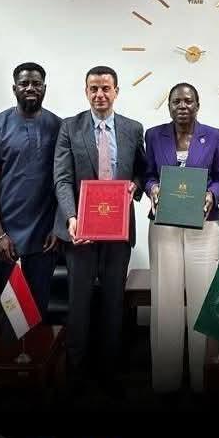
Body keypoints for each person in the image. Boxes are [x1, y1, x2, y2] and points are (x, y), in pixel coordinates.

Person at [53, 66, 146, 389]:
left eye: (106, 88)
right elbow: (62, 179)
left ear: (116, 91)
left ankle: (110, 372)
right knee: (78, 304)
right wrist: (71, 217)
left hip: (118, 231)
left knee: (113, 302)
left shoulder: (133, 128)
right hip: (80, 230)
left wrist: (135, 185)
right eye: (93, 88)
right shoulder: (69, 127)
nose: (100, 94)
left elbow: (141, 171)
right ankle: (76, 373)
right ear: (86, 91)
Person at [145, 82, 219, 393]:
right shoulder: (154, 135)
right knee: (164, 298)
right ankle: (166, 380)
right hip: (164, 225)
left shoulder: (214, 136)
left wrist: (212, 194)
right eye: (176, 101)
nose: (183, 106)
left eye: (188, 101)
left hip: (203, 226)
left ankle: (203, 378)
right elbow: (148, 174)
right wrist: (153, 188)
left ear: (197, 104)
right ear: (169, 106)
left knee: (204, 299)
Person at [0, 63, 61, 321]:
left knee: (38, 311)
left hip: (45, 237)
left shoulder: (59, 126)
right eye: (24, 84)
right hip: (8, 237)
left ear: (45, 88)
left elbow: (65, 181)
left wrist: (58, 228)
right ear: (14, 88)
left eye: (36, 83)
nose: (30, 88)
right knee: (9, 315)